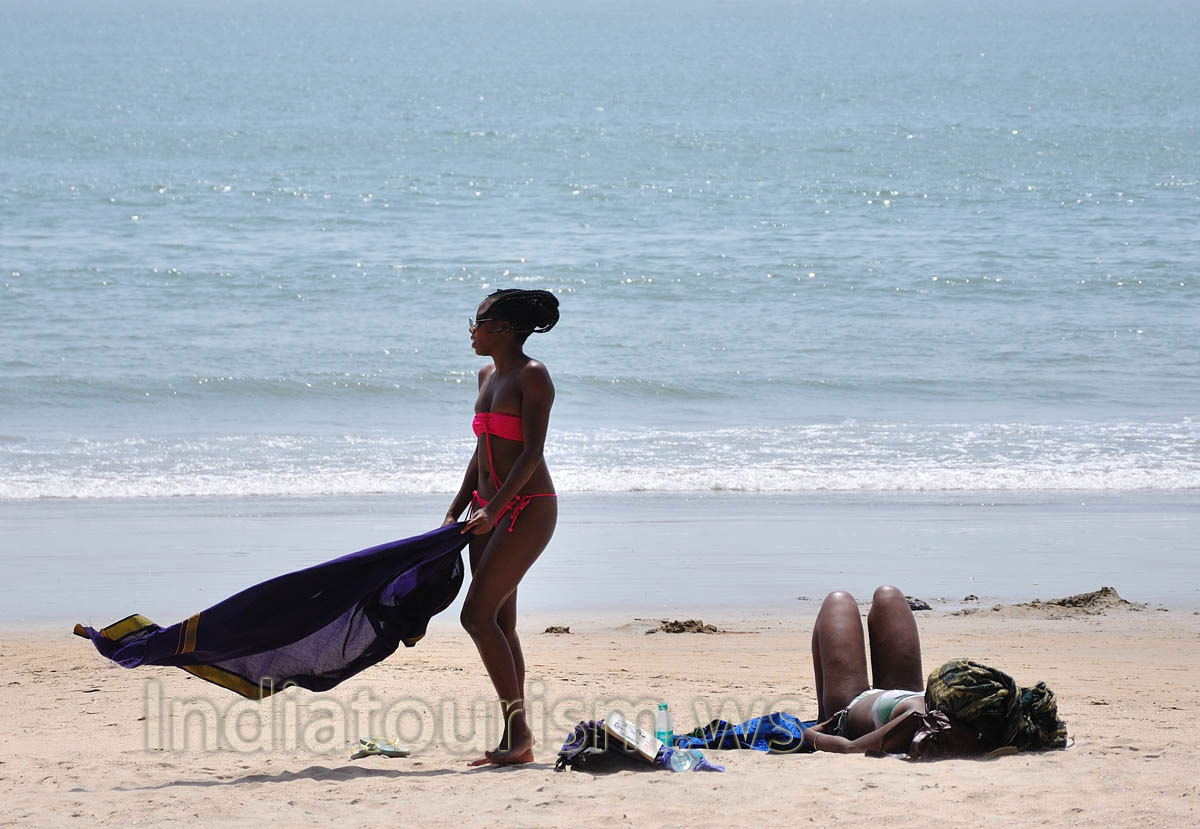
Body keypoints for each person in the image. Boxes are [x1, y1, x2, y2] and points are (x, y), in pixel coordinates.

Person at [442, 288, 560, 766]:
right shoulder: (486, 376)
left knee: (476, 616)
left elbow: (531, 453)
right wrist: (456, 509)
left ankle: (521, 732)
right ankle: (517, 738)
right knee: (501, 622)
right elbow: (482, 452)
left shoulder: (533, 375)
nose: (472, 331)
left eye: (478, 323)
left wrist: (497, 508)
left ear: (505, 329)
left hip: (527, 508)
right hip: (485, 509)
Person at [802, 586, 1068, 758]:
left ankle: (824, 712)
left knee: (838, 600)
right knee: (889, 596)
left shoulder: (918, 721)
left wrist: (813, 733)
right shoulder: (1001, 716)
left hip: (851, 706)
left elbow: (849, 747)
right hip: (902, 695)